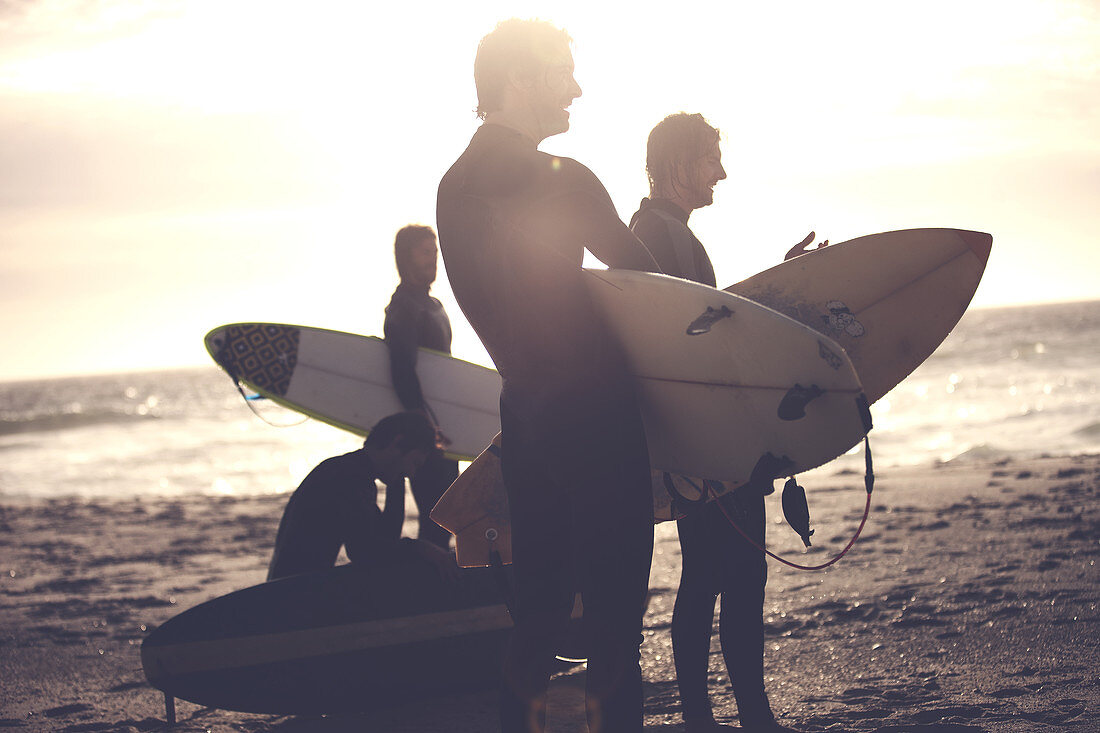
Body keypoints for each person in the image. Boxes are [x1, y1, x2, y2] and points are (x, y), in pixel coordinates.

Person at [436, 19, 663, 733]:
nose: (576, 86)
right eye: (561, 70)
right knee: (615, 622)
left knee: (536, 622)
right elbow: (651, 283)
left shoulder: (450, 189)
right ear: (518, 78)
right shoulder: (560, 179)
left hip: (528, 419)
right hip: (598, 416)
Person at [630, 113, 814, 732]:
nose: (721, 172)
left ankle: (704, 719)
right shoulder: (662, 235)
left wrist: (776, 289)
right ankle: (747, 719)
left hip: (693, 440)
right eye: (711, 158)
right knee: (736, 574)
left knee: (707, 574)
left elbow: (706, 323)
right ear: (681, 162)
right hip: (709, 443)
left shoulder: (658, 230)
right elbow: (690, 342)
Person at [266, 411, 457, 582]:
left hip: (294, 585)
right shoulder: (345, 476)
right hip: (292, 591)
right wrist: (421, 548)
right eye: (414, 463)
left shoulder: (354, 472)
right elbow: (366, 552)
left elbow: (385, 541)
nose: (412, 473)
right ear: (396, 443)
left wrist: (396, 484)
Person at [383, 224, 457, 549]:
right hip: (424, 432)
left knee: (448, 516)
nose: (433, 259)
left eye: (435, 252)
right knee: (436, 518)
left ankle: (442, 580)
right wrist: (424, 426)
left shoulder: (431, 304)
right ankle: (430, 586)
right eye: (425, 252)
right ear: (405, 257)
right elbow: (402, 369)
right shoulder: (404, 308)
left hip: (442, 427)